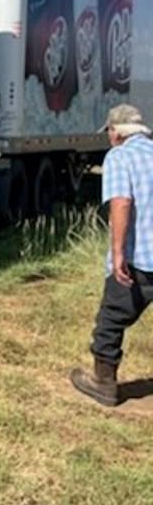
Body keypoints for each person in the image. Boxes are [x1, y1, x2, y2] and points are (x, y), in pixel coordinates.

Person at [71, 103, 153, 406]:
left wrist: (117, 253)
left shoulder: (119, 156)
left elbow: (121, 203)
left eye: (108, 131)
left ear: (116, 131)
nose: (108, 136)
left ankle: (104, 383)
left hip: (140, 258)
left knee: (112, 319)